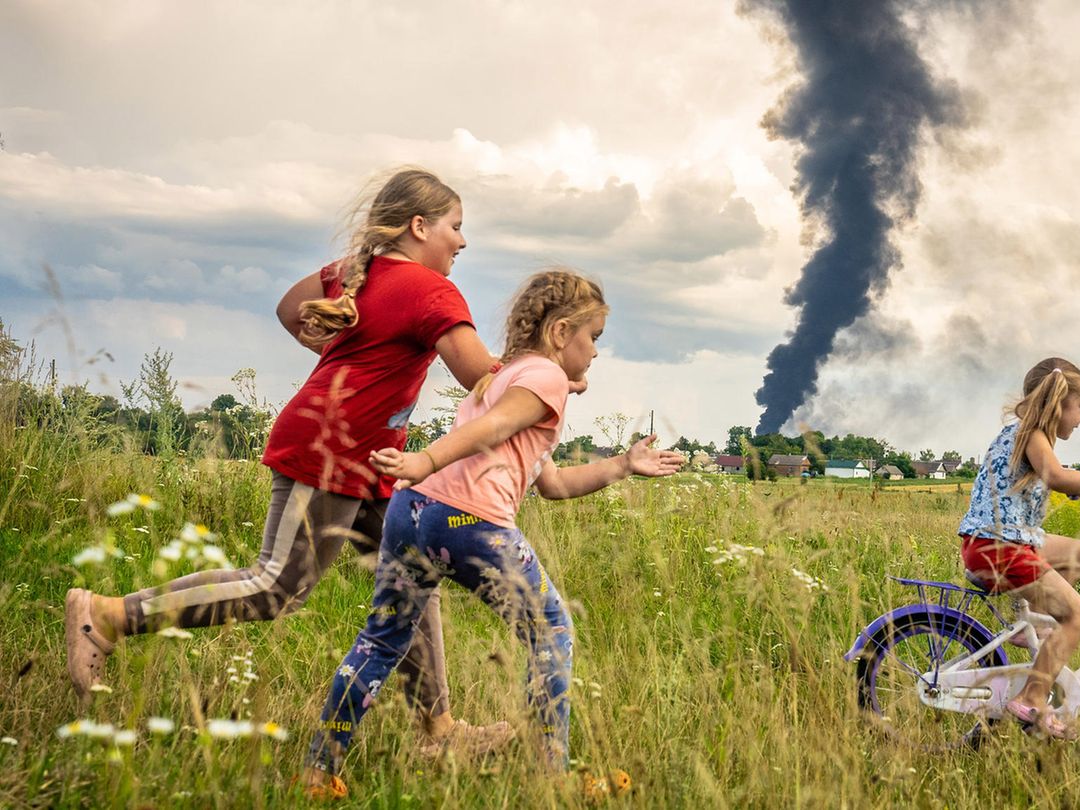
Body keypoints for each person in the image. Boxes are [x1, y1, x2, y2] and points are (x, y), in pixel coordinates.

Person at [65, 167, 511, 752]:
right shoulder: (431, 289)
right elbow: (481, 377)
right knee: (276, 586)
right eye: (455, 226)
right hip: (328, 450)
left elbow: (289, 307)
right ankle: (109, 615)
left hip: (372, 461)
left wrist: (339, 351)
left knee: (412, 578)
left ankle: (439, 730)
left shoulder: (359, 272)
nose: (462, 241)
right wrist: (547, 374)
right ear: (420, 226)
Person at [299, 268, 683, 799]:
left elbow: (553, 484)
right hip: (468, 520)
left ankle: (318, 772)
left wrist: (623, 464)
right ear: (560, 332)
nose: (596, 352)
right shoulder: (543, 380)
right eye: (593, 337)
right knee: (551, 632)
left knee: (382, 639)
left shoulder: (507, 377)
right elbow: (495, 427)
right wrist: (426, 458)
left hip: (412, 510)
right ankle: (551, 778)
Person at [956, 357, 1080, 740]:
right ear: (1058, 403)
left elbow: (1050, 477)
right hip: (1000, 548)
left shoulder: (1024, 434)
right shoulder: (1031, 434)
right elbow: (1057, 476)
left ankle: (1036, 626)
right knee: (1079, 616)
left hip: (1001, 542)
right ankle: (1032, 700)